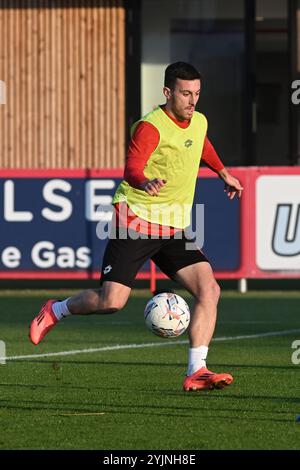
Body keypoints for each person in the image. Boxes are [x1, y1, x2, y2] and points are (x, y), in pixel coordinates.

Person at [29, 62, 243, 391]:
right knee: (112, 301)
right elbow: (132, 166)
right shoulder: (150, 126)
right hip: (136, 221)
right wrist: (143, 182)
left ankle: (197, 369)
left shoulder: (198, 121)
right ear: (167, 92)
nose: (192, 100)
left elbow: (200, 143)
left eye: (197, 93)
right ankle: (57, 309)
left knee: (209, 289)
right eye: (186, 93)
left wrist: (223, 172)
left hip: (173, 227)